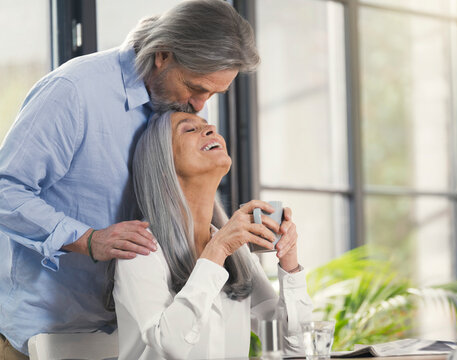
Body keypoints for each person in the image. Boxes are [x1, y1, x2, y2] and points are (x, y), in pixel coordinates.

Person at [0, 1, 260, 357]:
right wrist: (86, 238)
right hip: (45, 334)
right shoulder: (75, 92)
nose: (200, 106)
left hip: (135, 335)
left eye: (213, 94)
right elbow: (5, 190)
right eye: (196, 87)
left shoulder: (184, 101)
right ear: (162, 55)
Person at [113, 111, 313, 359]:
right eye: (189, 129)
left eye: (207, 126)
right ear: (162, 166)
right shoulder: (140, 249)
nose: (211, 129)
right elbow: (170, 346)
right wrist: (217, 250)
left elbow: (294, 345)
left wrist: (289, 263)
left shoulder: (236, 252)